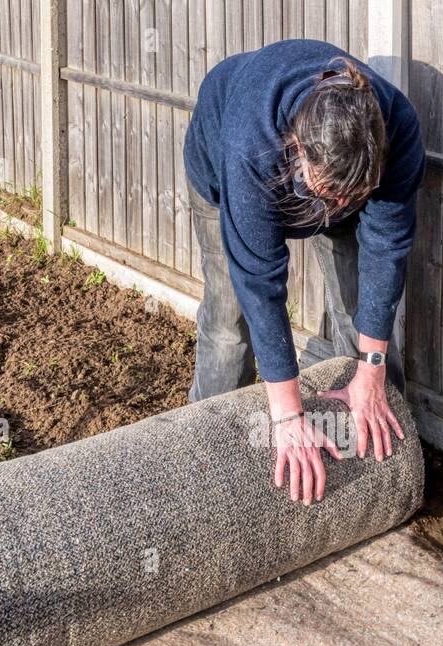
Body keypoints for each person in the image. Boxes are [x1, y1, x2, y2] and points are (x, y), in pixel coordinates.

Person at [183, 38, 426, 505]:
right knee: (230, 319)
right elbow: (260, 281)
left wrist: (371, 369)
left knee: (363, 307)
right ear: (298, 148)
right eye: (328, 194)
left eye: (349, 198)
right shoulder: (250, 140)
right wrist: (289, 418)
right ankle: (205, 453)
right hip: (222, 172)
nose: (333, 209)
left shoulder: (398, 127)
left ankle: (378, 446)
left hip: (326, 164)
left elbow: (387, 245)